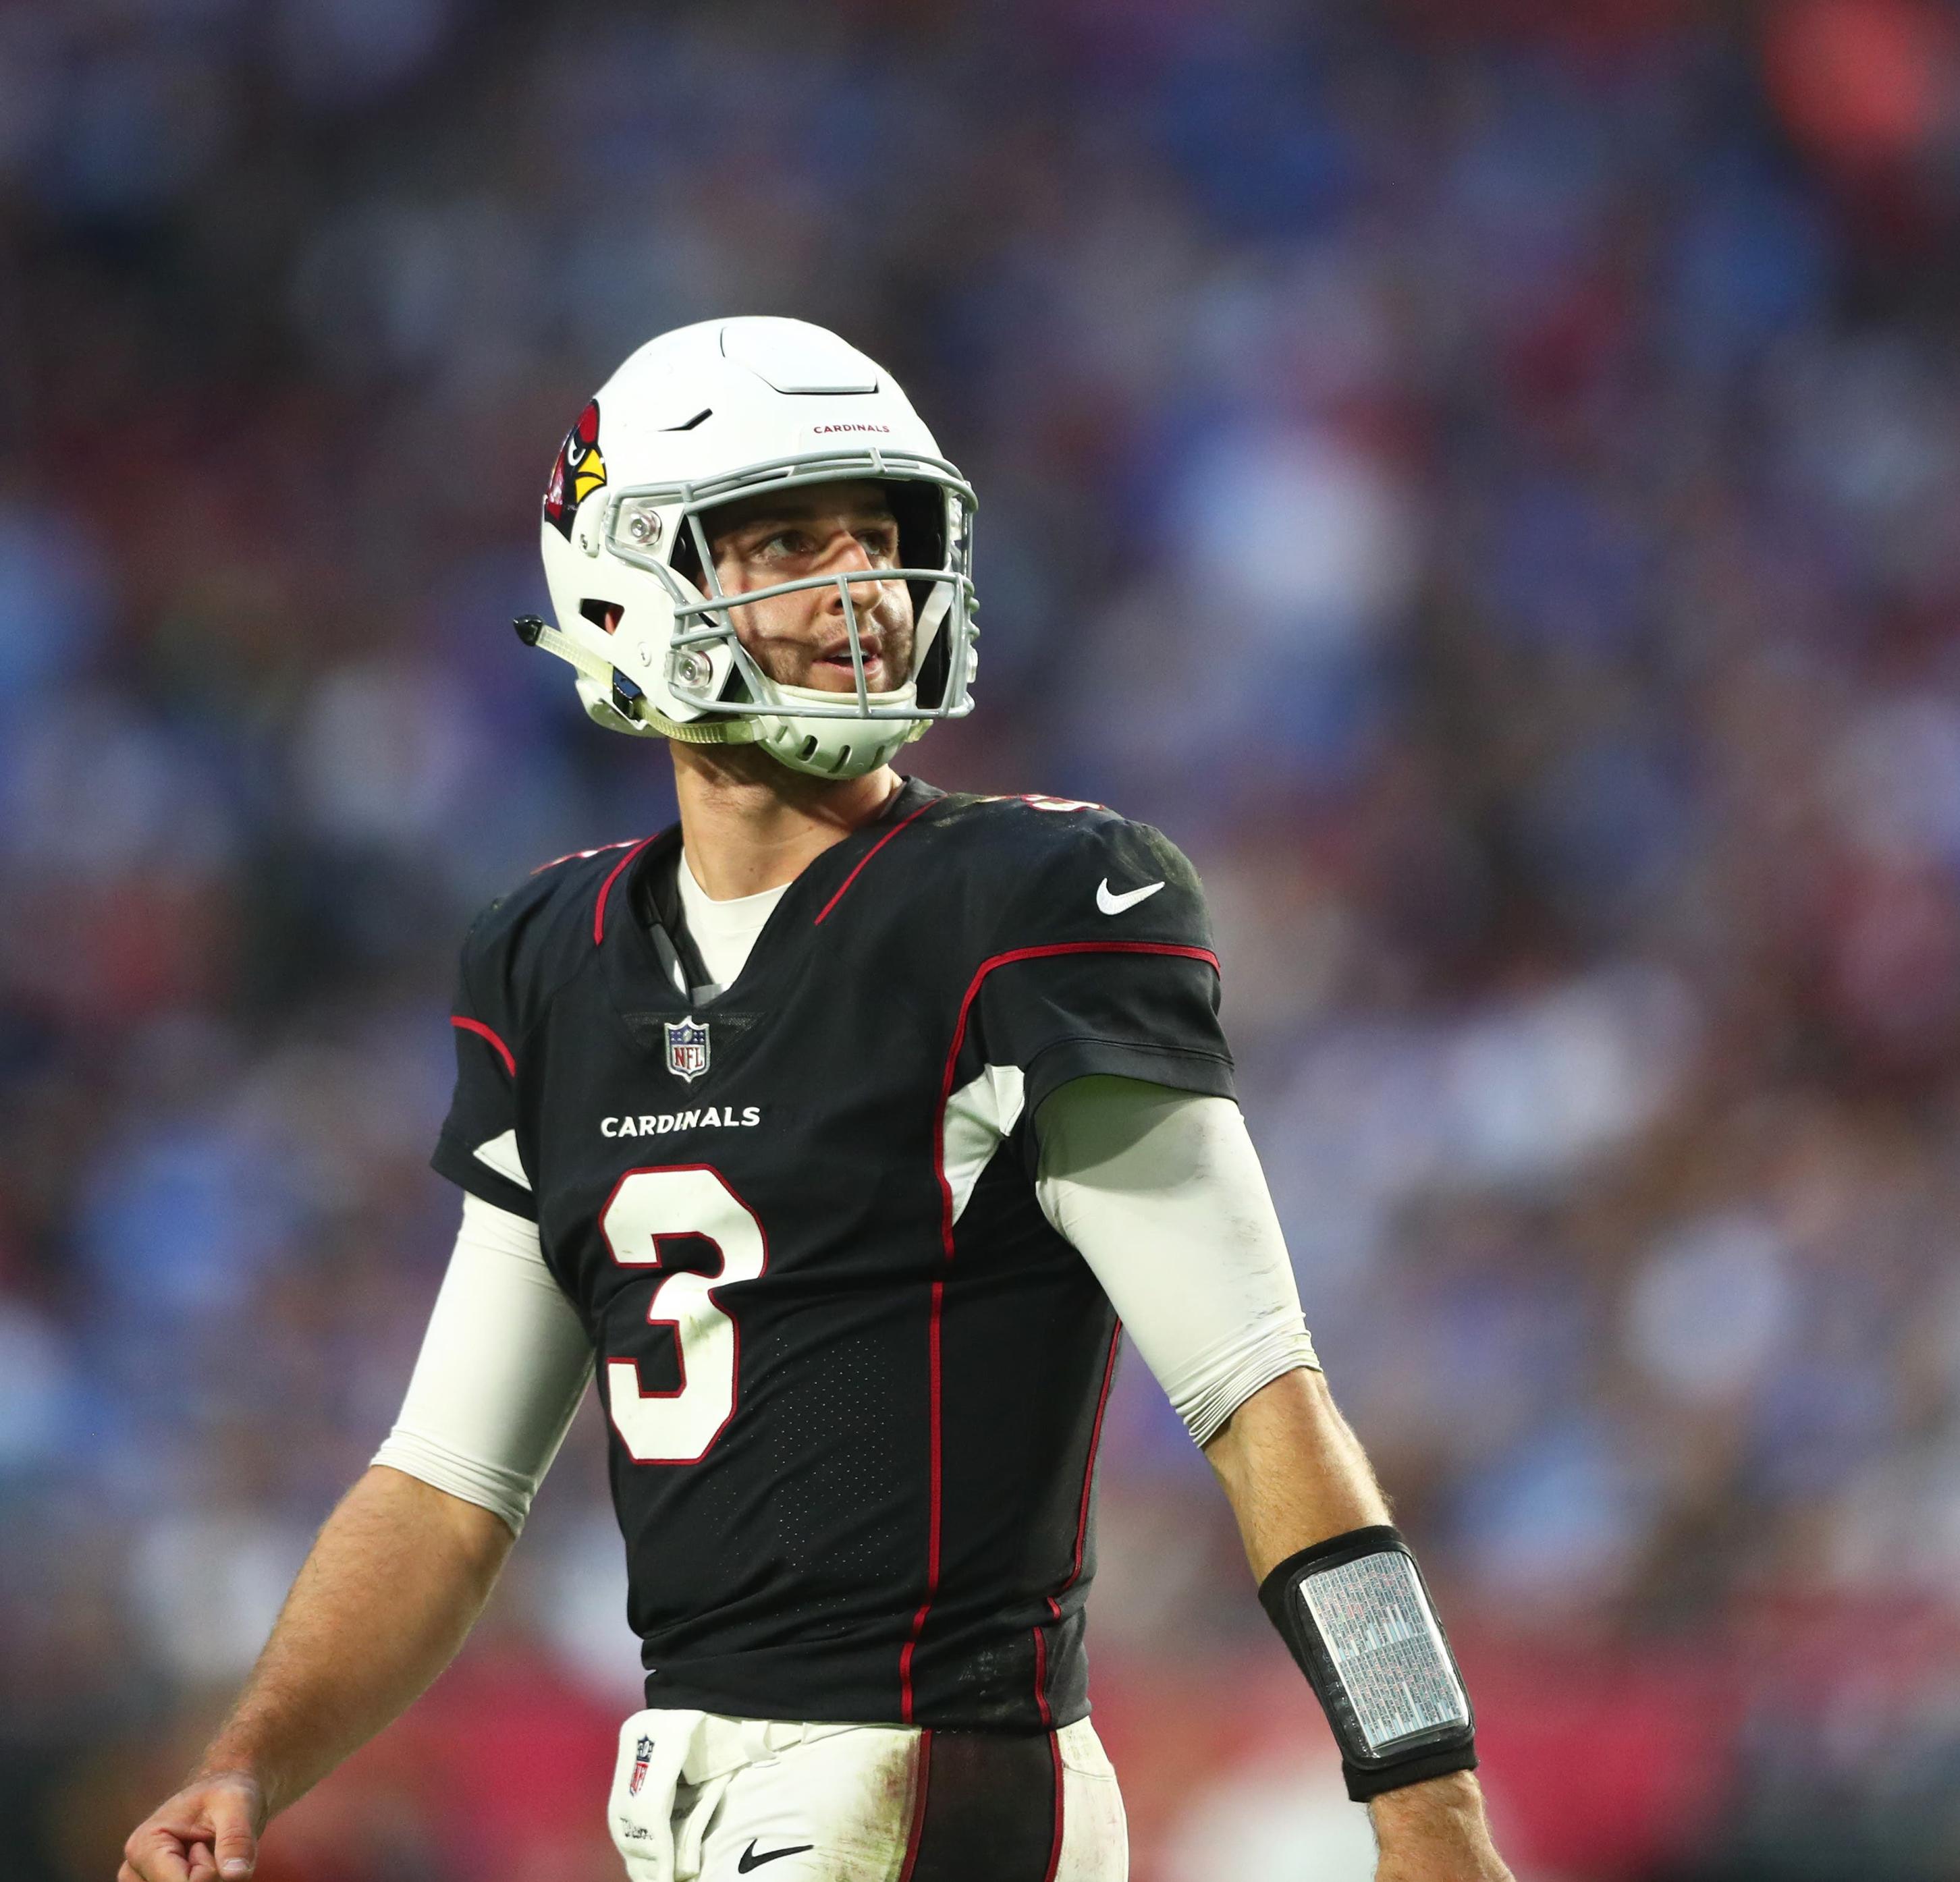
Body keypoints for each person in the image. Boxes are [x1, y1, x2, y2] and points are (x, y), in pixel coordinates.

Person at [117, 318, 1517, 1882]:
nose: (856, 589)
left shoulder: (1031, 902)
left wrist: (1428, 1805)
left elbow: (1267, 1406)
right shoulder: (551, 962)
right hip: (693, 1796)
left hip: (933, 1784)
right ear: (623, 576)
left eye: (879, 539)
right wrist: (248, 1767)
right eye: (787, 540)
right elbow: (446, 1483)